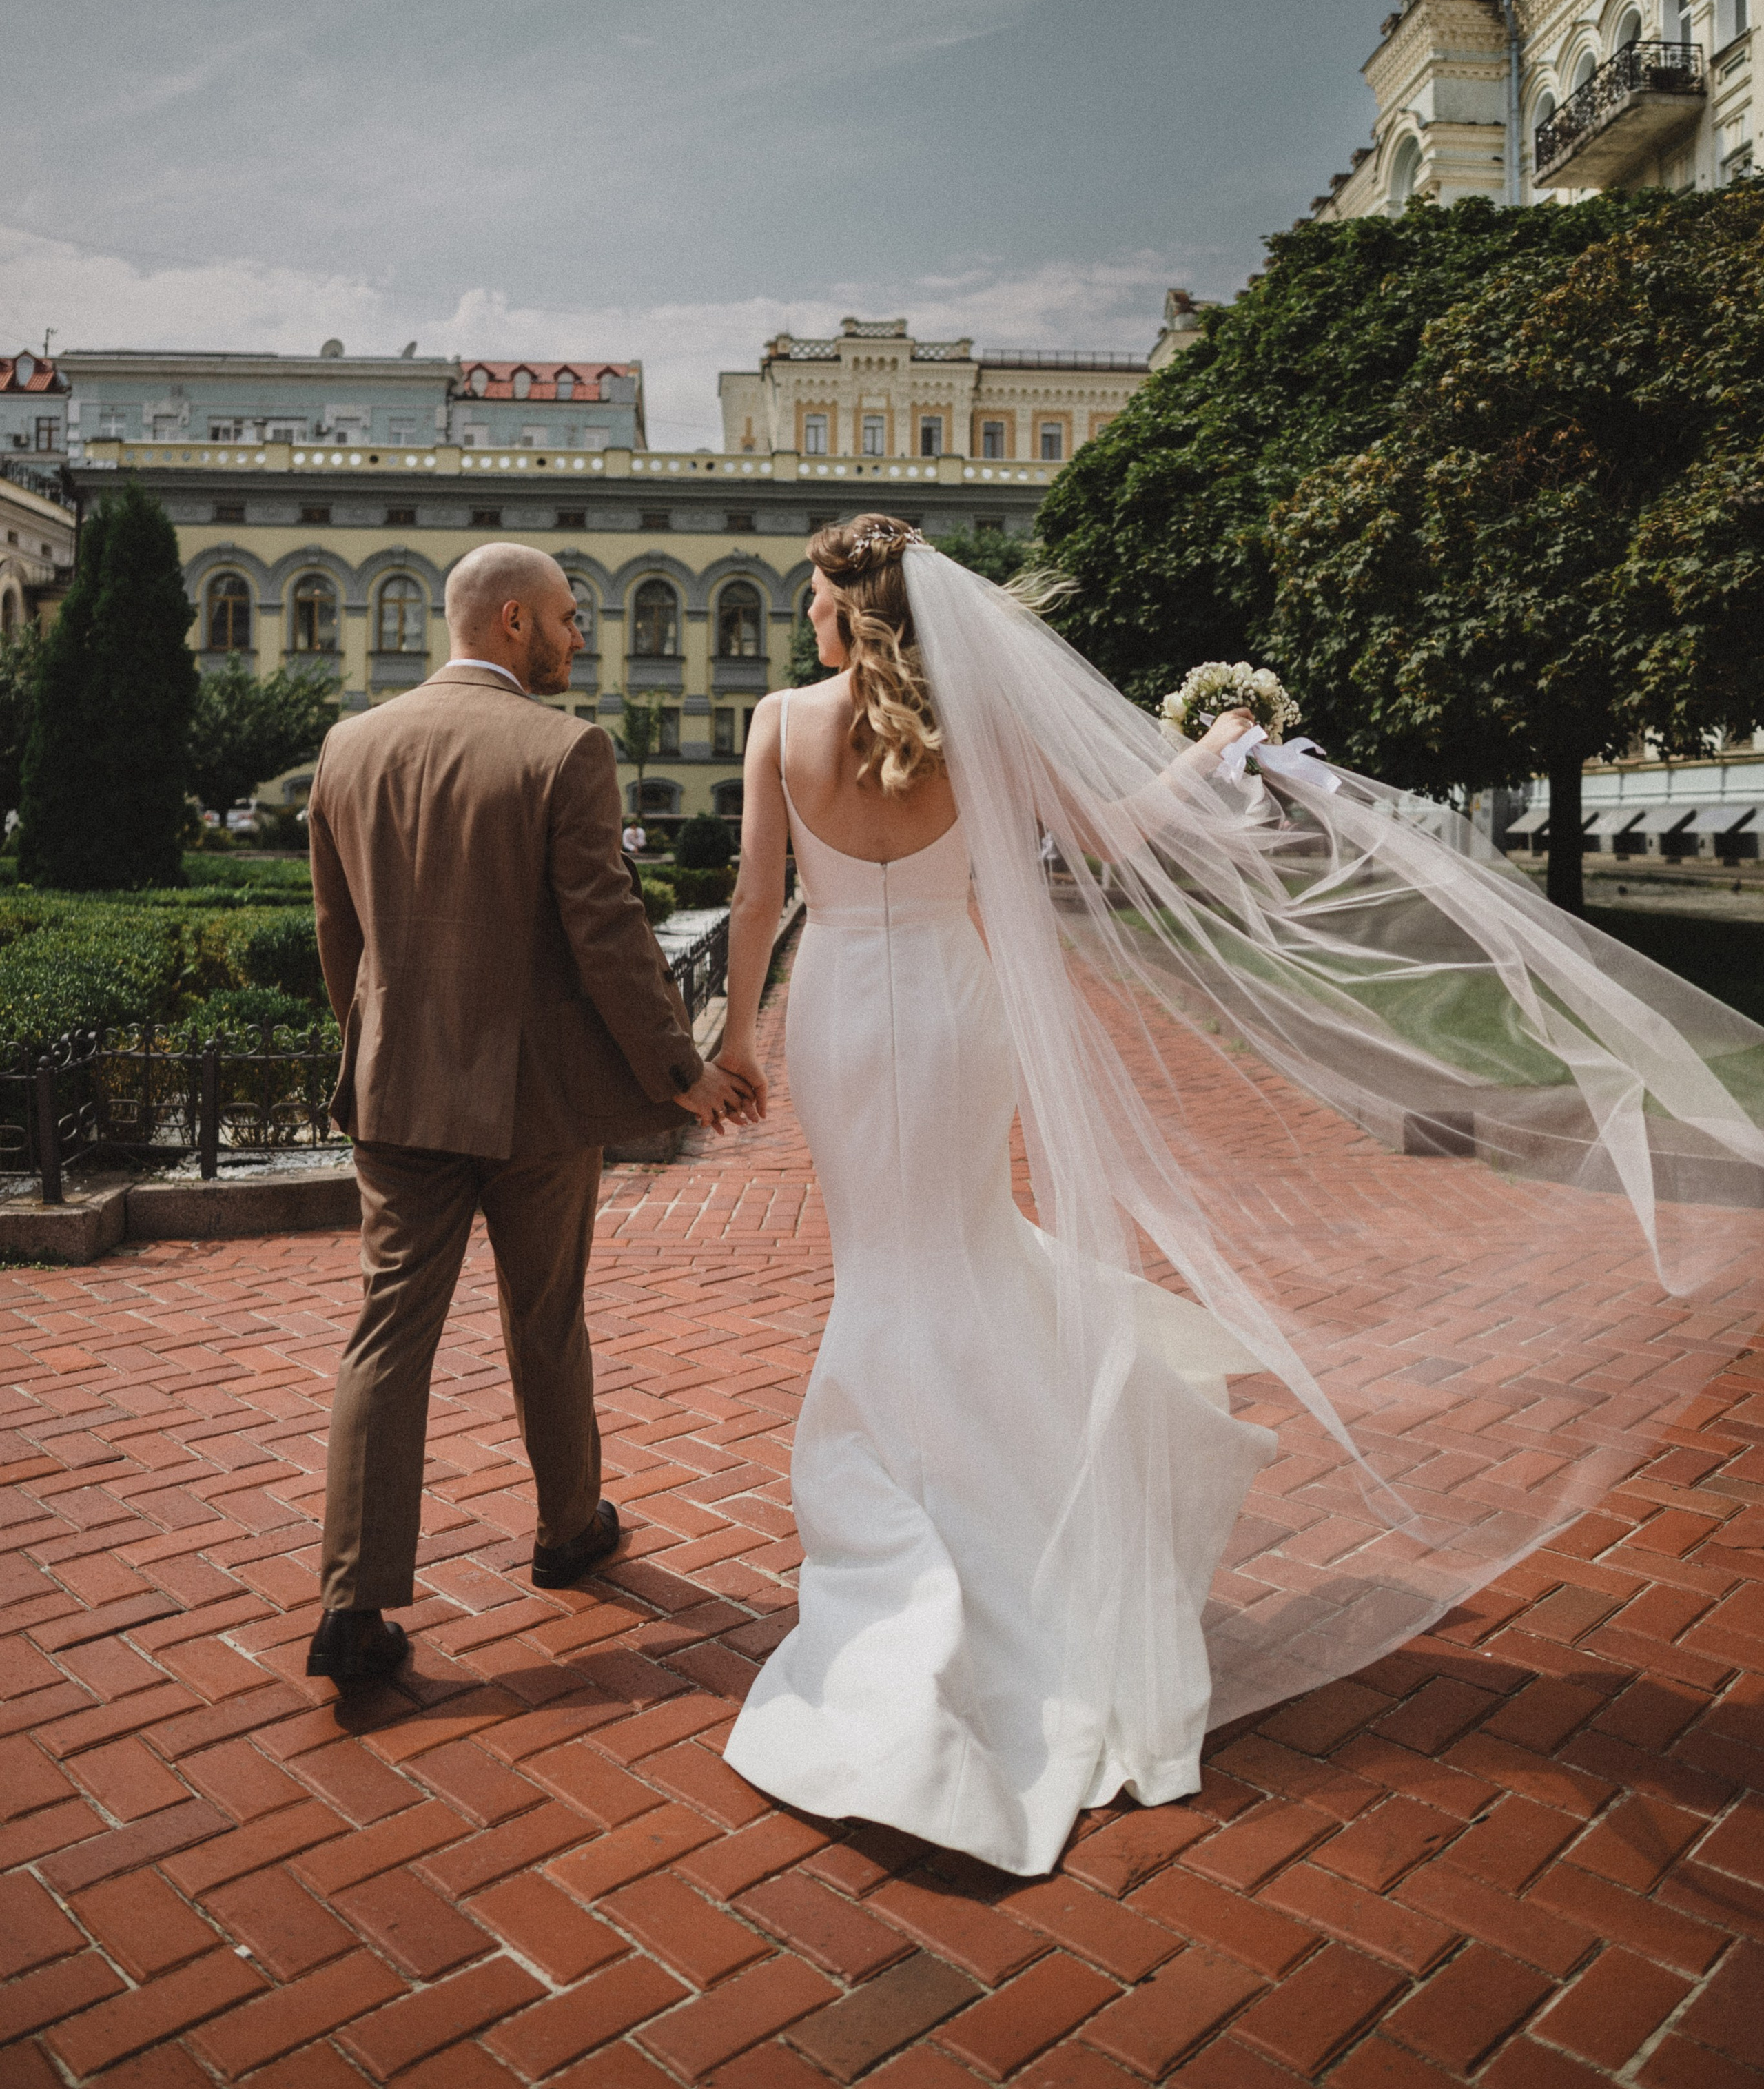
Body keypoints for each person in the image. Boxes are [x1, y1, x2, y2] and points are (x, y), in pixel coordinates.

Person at [715, 515, 1763, 1877]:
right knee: (957, 1250)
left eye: (812, 597)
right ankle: (1014, 1515)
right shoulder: (984, 732)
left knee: (887, 1267)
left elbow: (752, 896)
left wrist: (732, 1036)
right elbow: (1117, 837)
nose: (807, 616)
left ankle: (915, 1523)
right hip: (957, 1018)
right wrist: (1212, 756)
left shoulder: (776, 722)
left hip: (841, 1019)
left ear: (840, 612)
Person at [303, 543, 756, 1689]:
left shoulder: (350, 745)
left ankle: (352, 1606)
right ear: (512, 622)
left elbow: (340, 941)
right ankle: (567, 1530)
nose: (578, 636)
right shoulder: (565, 748)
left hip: (400, 1093)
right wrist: (677, 1072)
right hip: (538, 1100)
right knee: (545, 1318)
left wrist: (376, 1053)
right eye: (566, 616)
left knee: (387, 1335)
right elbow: (607, 935)